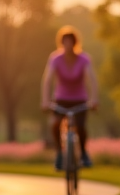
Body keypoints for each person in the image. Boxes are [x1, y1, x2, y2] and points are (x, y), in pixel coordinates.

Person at [40, 26, 100, 170]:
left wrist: (94, 99)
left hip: (79, 99)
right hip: (61, 99)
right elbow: (47, 79)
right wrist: (45, 100)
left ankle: (84, 153)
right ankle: (59, 154)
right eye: (65, 42)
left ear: (75, 43)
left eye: (70, 42)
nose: (68, 45)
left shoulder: (84, 59)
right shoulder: (55, 58)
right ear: (61, 43)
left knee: (80, 126)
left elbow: (92, 79)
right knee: (55, 124)